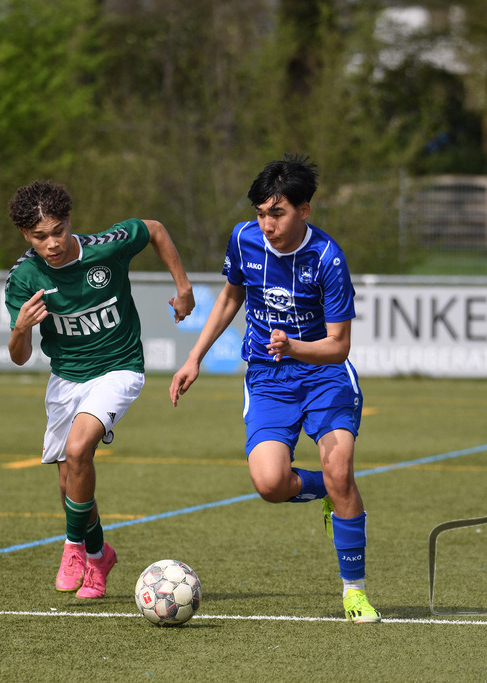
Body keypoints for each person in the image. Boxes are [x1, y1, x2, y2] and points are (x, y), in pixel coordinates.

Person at [170, 155, 382, 623]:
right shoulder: (244, 239)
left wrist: (295, 347)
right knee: (269, 484)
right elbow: (231, 296)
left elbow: (339, 347)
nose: (267, 224)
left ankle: (355, 591)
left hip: (324, 376)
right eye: (261, 213)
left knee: (340, 466)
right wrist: (194, 357)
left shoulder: (327, 258)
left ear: (304, 210)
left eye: (278, 213)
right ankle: (328, 491)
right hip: (267, 378)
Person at [4, 179, 194, 599]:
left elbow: (156, 229)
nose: (52, 243)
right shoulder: (24, 279)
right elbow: (19, 356)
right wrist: (20, 328)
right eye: (40, 237)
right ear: (25, 235)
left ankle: (73, 548)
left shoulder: (108, 246)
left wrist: (183, 287)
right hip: (66, 377)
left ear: (69, 222)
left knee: (78, 451)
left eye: (58, 231)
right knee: (68, 482)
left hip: (119, 368)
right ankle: (98, 555)